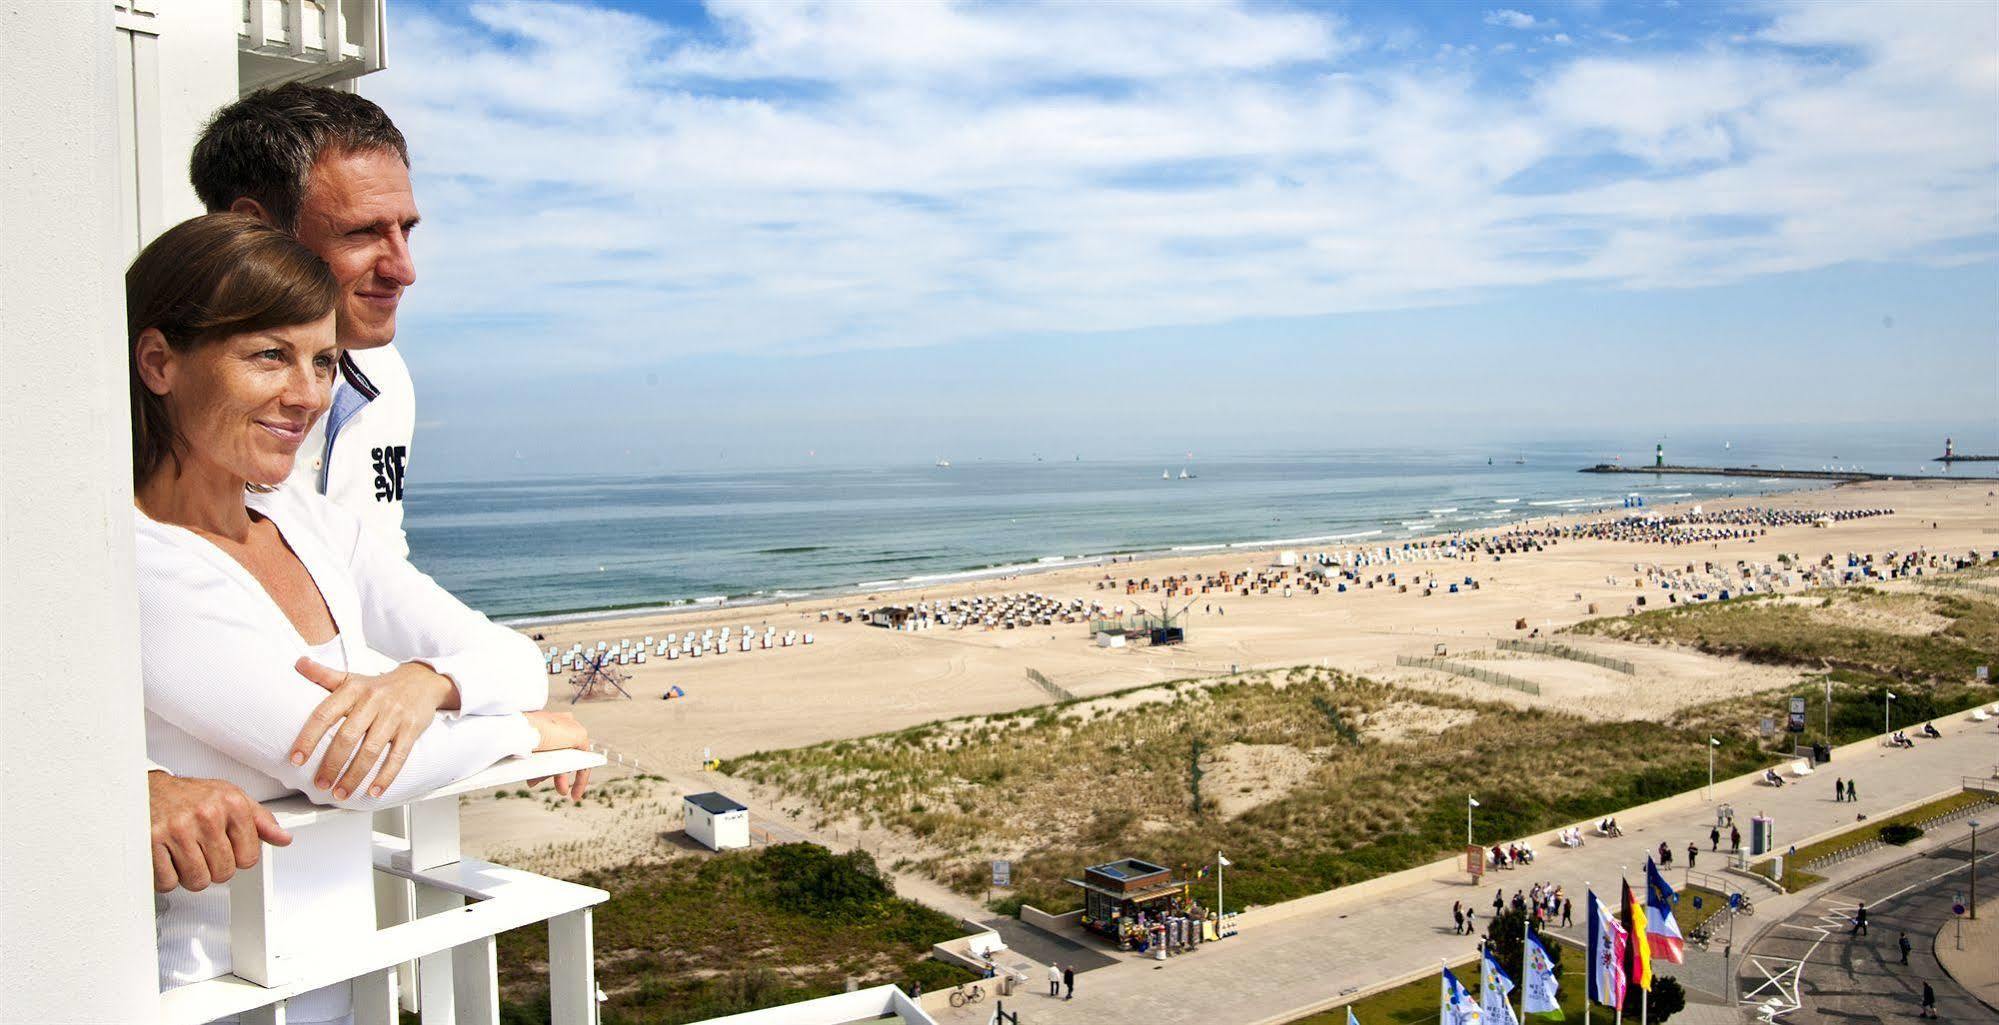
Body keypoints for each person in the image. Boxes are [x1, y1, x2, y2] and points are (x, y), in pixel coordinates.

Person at [129, 215, 588, 1024]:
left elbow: (515, 657)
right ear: (160, 362)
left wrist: (430, 681)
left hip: (350, 983)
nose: (306, 394)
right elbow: (346, 764)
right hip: (218, 998)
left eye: (323, 361)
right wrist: (527, 733)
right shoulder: (144, 560)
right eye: (269, 355)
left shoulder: (308, 521)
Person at [149, 81, 425, 895]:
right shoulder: (140, 391)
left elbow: (381, 579)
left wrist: (428, 678)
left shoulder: (387, 381)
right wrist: (126, 775)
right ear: (250, 228)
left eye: (406, 229)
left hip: (329, 850)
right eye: (363, 233)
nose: (402, 267)